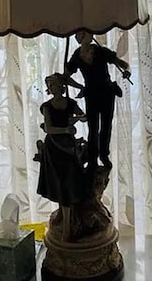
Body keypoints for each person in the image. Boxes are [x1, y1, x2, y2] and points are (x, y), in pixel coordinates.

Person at [64, 29, 131, 171]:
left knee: (106, 126)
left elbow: (122, 64)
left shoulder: (101, 51)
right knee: (93, 127)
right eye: (83, 34)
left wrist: (127, 71)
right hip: (91, 95)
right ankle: (93, 158)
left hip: (107, 93)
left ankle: (104, 155)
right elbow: (67, 75)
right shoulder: (77, 55)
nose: (87, 36)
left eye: (88, 34)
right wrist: (79, 86)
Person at [35, 72, 88, 207]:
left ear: (61, 86)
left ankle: (72, 210)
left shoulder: (71, 103)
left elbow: (83, 116)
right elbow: (49, 128)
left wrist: (78, 118)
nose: (52, 88)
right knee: (57, 180)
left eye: (54, 85)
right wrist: (65, 129)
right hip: (54, 146)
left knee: (71, 178)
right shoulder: (47, 106)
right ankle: (63, 214)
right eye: (50, 85)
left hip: (69, 145)